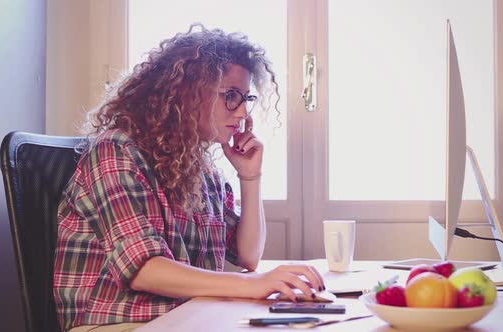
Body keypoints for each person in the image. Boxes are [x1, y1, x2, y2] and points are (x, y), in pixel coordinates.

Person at [54, 24, 325, 332]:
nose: (242, 113)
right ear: (188, 93)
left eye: (246, 98)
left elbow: (247, 255)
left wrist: (250, 177)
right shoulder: (116, 150)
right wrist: (253, 285)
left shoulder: (200, 167)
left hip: (185, 318)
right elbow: (145, 269)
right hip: (119, 322)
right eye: (231, 96)